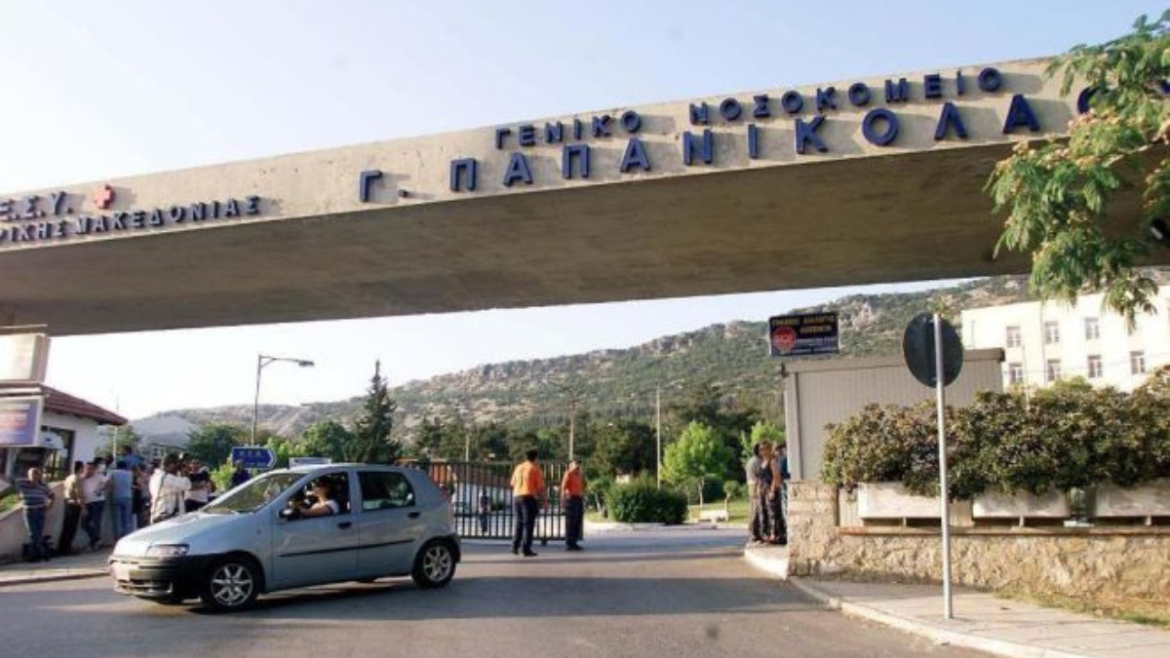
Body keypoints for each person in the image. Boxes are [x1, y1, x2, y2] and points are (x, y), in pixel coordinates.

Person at [510, 449, 545, 557]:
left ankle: (514, 547)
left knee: (519, 523)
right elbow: (540, 487)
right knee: (528, 524)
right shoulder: (535, 468)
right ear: (536, 458)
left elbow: (512, 483)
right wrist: (543, 500)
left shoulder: (518, 467)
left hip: (516, 497)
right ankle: (526, 549)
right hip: (528, 497)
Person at [16, 467, 56, 562]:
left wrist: (50, 506)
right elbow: (9, 481)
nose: (34, 477)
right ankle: (43, 553)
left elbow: (52, 495)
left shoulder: (43, 485)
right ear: (28, 476)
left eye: (36, 475)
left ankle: (33, 556)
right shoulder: (22, 484)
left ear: (39, 476)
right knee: (33, 534)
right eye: (32, 475)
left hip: (40, 511)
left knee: (38, 534)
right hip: (29, 511)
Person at [149, 454, 191, 523]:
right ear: (171, 465)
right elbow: (187, 485)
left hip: (157, 511)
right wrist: (184, 472)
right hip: (166, 515)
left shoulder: (155, 476)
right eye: (176, 466)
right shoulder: (167, 478)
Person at [57, 461, 86, 555]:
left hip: (67, 502)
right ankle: (67, 548)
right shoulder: (77, 478)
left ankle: (62, 547)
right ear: (80, 468)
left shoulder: (68, 478)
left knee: (66, 526)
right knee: (72, 527)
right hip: (74, 504)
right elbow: (78, 493)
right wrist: (83, 507)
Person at [80, 460, 109, 551]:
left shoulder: (99, 476)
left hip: (98, 502)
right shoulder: (81, 477)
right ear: (84, 469)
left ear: (94, 469)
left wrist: (101, 490)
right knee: (84, 524)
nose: (89, 470)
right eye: (87, 468)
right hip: (87, 502)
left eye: (91, 469)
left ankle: (94, 542)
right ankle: (96, 539)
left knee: (96, 522)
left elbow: (110, 483)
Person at [561, 460, 585, 551]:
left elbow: (582, 487)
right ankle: (569, 543)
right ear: (571, 466)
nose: (577, 466)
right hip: (571, 499)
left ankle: (574, 542)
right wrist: (563, 500)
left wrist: (583, 497)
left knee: (578, 521)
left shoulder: (579, 475)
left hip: (578, 499)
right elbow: (563, 487)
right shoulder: (568, 474)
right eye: (576, 464)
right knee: (571, 522)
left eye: (578, 464)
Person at [108, 460, 135, 541]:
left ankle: (117, 539)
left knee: (116, 520)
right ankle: (126, 538)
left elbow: (107, 482)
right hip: (128, 497)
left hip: (116, 497)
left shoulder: (113, 472)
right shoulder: (130, 473)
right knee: (126, 520)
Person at [745, 443, 766, 545]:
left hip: (752, 486)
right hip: (755, 486)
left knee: (753, 509)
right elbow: (760, 475)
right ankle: (755, 534)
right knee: (756, 510)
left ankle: (754, 532)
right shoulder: (757, 461)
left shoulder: (751, 460)